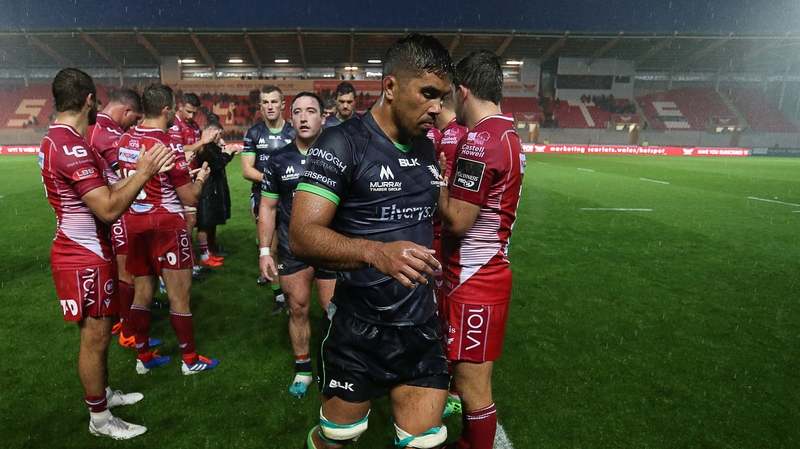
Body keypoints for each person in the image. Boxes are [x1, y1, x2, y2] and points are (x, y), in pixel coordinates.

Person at [290, 34, 454, 449]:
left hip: (419, 327)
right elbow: (302, 237)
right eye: (429, 94)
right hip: (359, 329)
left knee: (424, 443)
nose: (437, 108)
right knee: (338, 439)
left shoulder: (428, 149)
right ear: (392, 86)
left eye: (444, 97)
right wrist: (375, 252)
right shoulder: (342, 142)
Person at [40, 68, 174, 440]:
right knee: (95, 338)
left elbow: (109, 187)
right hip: (81, 255)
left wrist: (136, 177)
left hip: (87, 251)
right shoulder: (69, 145)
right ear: (89, 100)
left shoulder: (67, 139)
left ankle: (103, 395)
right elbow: (109, 208)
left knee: (98, 335)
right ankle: (99, 418)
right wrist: (144, 172)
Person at [436, 50, 525, 449]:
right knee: (468, 385)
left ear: (463, 91)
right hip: (479, 275)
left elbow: (456, 220)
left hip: (476, 281)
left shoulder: (480, 141)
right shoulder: (507, 134)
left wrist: (437, 181)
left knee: (473, 391)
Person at [117, 83, 219, 376]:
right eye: (173, 107)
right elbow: (188, 197)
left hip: (135, 225)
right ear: (166, 109)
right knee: (179, 296)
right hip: (166, 226)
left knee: (142, 293)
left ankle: (144, 356)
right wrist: (200, 179)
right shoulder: (167, 143)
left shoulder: (126, 139)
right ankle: (189, 360)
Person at [257, 92, 336, 399]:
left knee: (334, 311)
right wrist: (265, 250)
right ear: (291, 119)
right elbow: (268, 208)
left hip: (332, 247)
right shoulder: (278, 160)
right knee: (297, 309)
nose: (304, 117)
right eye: (298, 112)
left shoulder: (339, 155)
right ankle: (303, 370)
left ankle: (334, 368)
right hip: (293, 249)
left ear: (322, 118)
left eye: (311, 111)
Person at [87, 88, 164, 349]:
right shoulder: (109, 134)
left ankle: (120, 321)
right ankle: (128, 331)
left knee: (120, 267)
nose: (136, 123)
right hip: (115, 204)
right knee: (128, 271)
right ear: (126, 110)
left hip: (99, 203)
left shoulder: (95, 125)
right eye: (135, 118)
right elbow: (127, 173)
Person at [429, 91, 468, 420]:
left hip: (442, 233)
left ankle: (449, 386)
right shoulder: (450, 134)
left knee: (443, 313)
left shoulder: (450, 136)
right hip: (444, 234)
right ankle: (448, 384)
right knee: (444, 312)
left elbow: (445, 188)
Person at [241, 85, 294, 315]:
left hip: (292, 197)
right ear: (260, 106)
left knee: (295, 247)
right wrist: (275, 180)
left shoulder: (294, 132)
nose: (270, 106)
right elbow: (246, 170)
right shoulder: (254, 133)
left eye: (274, 102)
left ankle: (296, 292)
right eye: (265, 102)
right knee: (270, 249)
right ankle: (280, 297)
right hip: (264, 196)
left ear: (283, 105)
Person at [169, 92, 222, 274]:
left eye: (194, 113)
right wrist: (201, 142)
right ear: (180, 106)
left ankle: (189, 261)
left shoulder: (193, 126)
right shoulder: (174, 125)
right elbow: (177, 148)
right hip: (178, 179)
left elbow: (197, 150)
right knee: (185, 223)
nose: (191, 116)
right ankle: (185, 264)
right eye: (188, 112)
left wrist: (213, 145)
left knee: (191, 221)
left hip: (192, 177)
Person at [195, 118, 239, 256]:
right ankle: (205, 254)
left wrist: (228, 153)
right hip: (206, 188)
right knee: (205, 222)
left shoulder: (211, 146)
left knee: (211, 220)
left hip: (213, 187)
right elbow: (217, 164)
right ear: (211, 132)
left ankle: (212, 248)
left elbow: (220, 162)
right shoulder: (204, 148)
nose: (219, 138)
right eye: (218, 134)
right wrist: (226, 154)